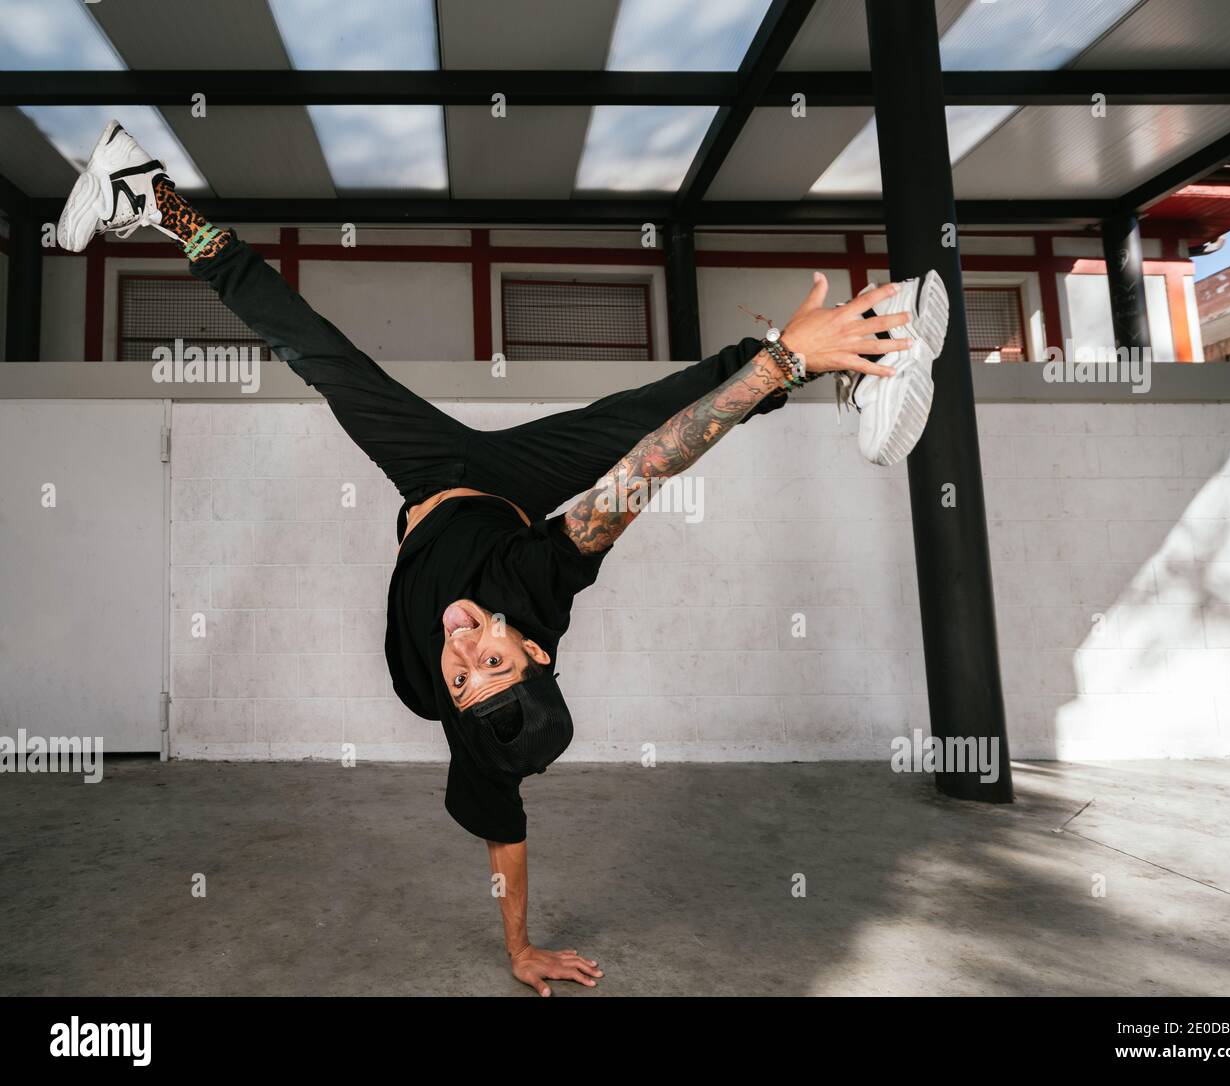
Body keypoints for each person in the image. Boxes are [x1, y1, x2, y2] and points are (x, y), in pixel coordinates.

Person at [58, 120, 944, 995]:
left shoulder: (456, 719)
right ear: (535, 648)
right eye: (493, 657)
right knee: (646, 415)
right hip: (513, 489)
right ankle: (862, 346)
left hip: (428, 477)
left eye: (460, 677)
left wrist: (520, 949)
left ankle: (148, 194)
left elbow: (506, 843)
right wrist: (784, 361)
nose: (460, 650)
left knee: (320, 356)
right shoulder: (538, 584)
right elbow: (649, 465)